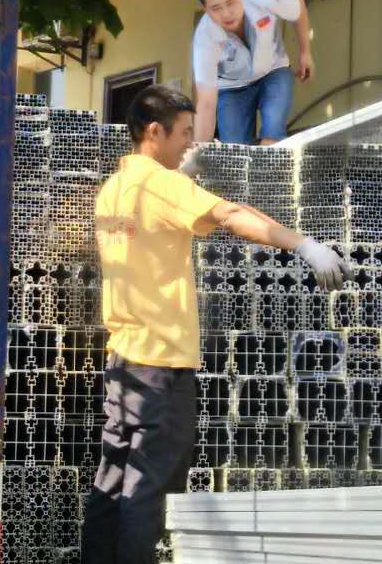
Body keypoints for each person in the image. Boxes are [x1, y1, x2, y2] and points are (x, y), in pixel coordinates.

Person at [81, 85, 349, 563]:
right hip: (161, 365)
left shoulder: (114, 189)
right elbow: (232, 215)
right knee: (149, 491)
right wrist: (303, 245)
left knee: (114, 483)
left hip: (124, 363)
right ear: (154, 131)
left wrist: (181, 181)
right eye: (185, 132)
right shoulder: (161, 187)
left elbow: (159, 226)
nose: (191, 142)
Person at [190, 0, 314, 145]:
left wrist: (305, 52)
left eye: (231, 3)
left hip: (274, 70)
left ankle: (271, 156)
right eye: (216, 8)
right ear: (206, 9)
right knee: (234, 150)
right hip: (231, 88)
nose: (226, 13)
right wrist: (198, 151)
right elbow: (206, 103)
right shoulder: (204, 38)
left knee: (273, 131)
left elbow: (298, 5)